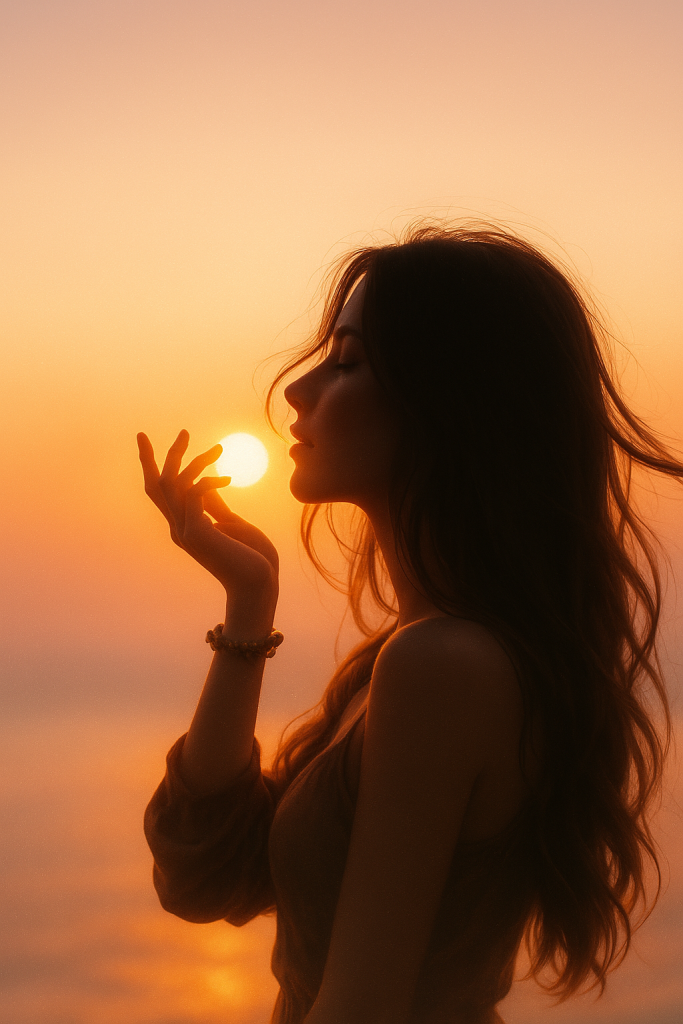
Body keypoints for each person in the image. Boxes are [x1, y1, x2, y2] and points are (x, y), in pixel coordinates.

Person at [138, 223, 679, 1024]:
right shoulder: (401, 659)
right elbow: (207, 877)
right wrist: (248, 608)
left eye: (349, 362)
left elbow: (361, 1007)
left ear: (449, 405)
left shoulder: (442, 666)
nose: (298, 390)